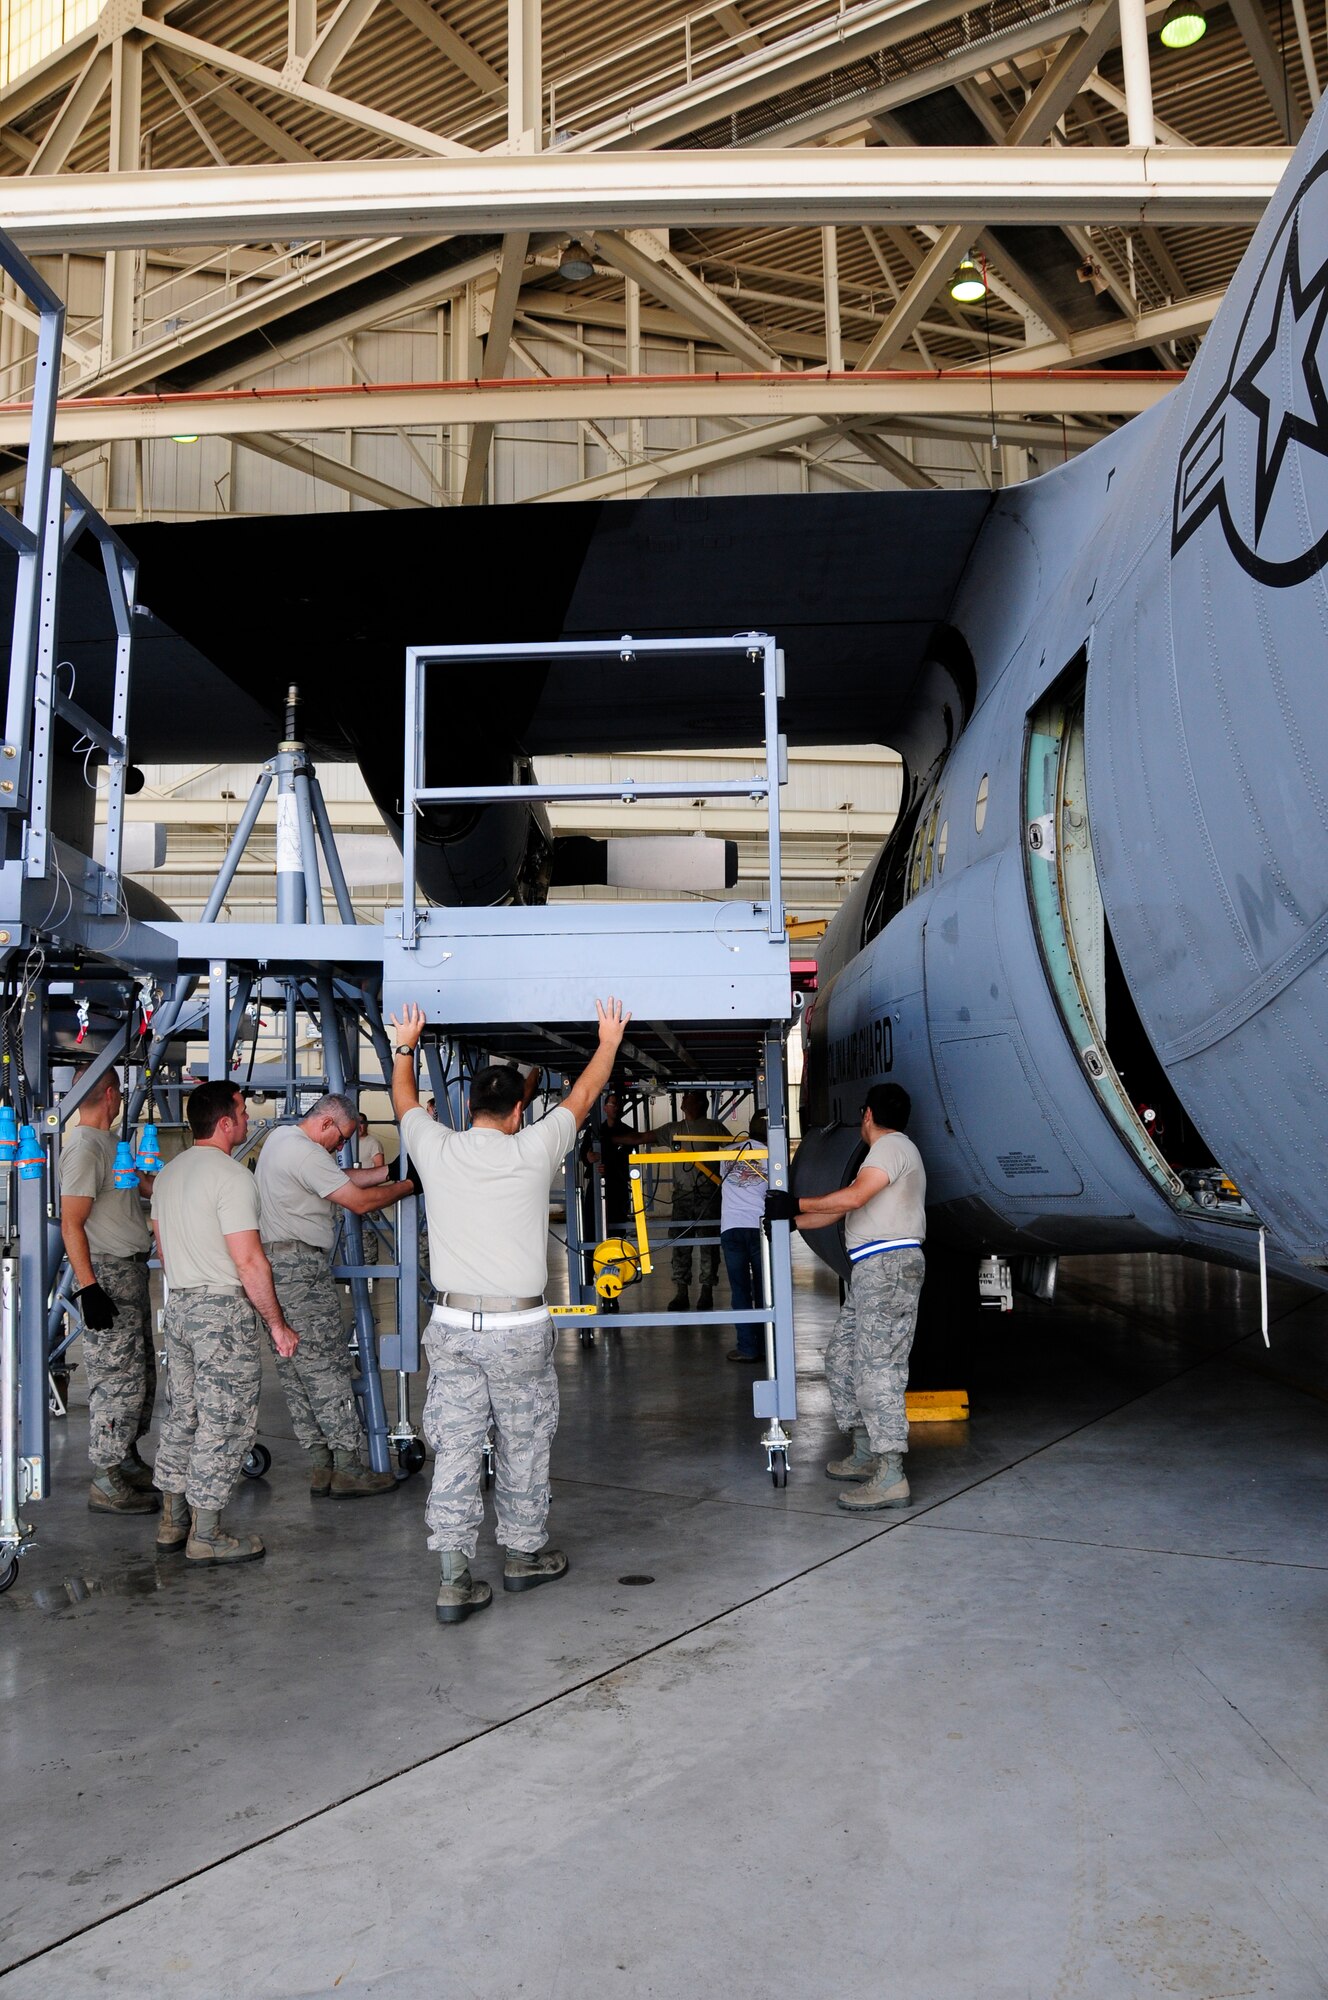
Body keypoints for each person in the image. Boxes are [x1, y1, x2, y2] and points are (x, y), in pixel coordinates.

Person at [389, 998, 630, 1625]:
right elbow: (582, 1095)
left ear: (470, 1109)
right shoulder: (533, 1149)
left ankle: (453, 1578)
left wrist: (405, 1045)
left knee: (459, 1447)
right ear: (519, 1111)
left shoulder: (435, 1149)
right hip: (520, 1329)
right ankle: (523, 1557)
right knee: (524, 1441)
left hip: (452, 1327)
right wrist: (607, 1040)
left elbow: (404, 1102)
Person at [150, 1080, 300, 1565]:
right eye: (242, 1110)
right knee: (226, 1420)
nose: (248, 1117)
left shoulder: (169, 1175)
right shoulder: (232, 1178)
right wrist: (276, 1324)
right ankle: (208, 1534)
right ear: (224, 1122)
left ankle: (172, 1522)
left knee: (185, 1415)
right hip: (221, 1314)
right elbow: (250, 1262)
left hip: (181, 1306)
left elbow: (165, 1253)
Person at [766, 1082, 925, 1512]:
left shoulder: (891, 1147)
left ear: (867, 1115)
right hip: (872, 1270)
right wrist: (793, 1219)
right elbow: (848, 1206)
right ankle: (865, 1450)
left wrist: (794, 1199)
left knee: (878, 1368)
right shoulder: (882, 1157)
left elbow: (853, 1196)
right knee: (842, 1356)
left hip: (887, 1269)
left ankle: (891, 1473)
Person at [256, 1093, 418, 1498]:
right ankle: (348, 1467)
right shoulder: (307, 1153)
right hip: (301, 1271)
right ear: (326, 1124)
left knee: (296, 1373)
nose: (343, 1147)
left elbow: (340, 1181)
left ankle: (321, 1465)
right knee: (327, 1369)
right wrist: (410, 1185)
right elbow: (357, 1201)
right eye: (342, 1138)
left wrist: (388, 1173)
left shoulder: (282, 1140)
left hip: (275, 1270)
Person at [59, 1068, 159, 1515]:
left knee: (140, 1378)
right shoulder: (83, 1147)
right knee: (117, 1381)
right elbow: (71, 1223)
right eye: (121, 1094)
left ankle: (126, 1458)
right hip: (107, 1273)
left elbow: (144, 1186)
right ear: (110, 1092)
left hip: (132, 1272)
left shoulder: (112, 1144)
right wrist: (88, 1288)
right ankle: (105, 1476)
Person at [612, 1090, 729, 1311]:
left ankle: (706, 1292)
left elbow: (734, 1150)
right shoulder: (673, 1129)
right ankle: (681, 1293)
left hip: (708, 1196)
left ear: (700, 1102)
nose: (683, 1099)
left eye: (688, 1096)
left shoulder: (714, 1127)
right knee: (680, 1245)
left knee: (708, 1245)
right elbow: (640, 1138)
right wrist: (608, 1138)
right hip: (682, 1197)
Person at [720, 1110, 768, 1364]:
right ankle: (767, 1347)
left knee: (740, 1291)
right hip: (759, 1228)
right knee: (763, 1288)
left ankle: (747, 1349)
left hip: (731, 1228)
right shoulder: (772, 1155)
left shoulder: (728, 1152)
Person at [355, 1112, 386, 1267]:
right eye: (356, 1122)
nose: (359, 1126)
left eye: (362, 1122)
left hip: (367, 1193)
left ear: (366, 1124)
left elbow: (380, 1168)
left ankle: (370, 1265)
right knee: (346, 1230)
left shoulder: (372, 1142)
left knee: (368, 1231)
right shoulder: (346, 1143)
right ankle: (351, 1265)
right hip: (348, 1193)